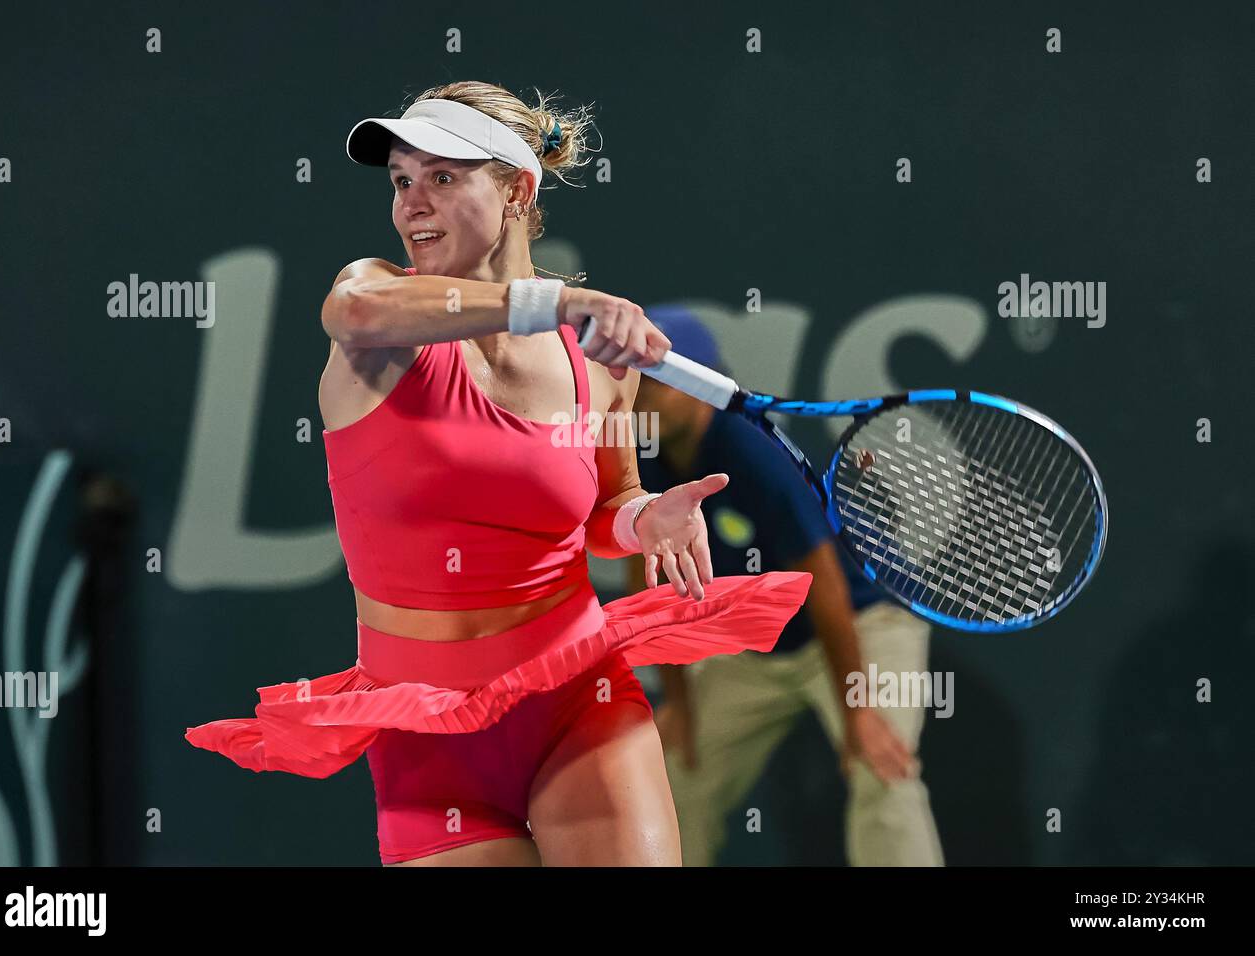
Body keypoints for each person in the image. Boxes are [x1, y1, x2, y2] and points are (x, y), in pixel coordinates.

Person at [183, 81, 812, 866]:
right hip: (427, 741)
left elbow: (606, 506)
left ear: (517, 190)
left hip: (578, 703)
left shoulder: (595, 363)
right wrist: (557, 301)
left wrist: (643, 518)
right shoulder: (374, 298)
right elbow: (354, 316)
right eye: (401, 181)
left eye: (443, 178)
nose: (413, 203)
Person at [626, 307, 945, 866]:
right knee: (677, 775)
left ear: (698, 383)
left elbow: (822, 580)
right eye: (633, 375)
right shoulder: (648, 451)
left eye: (654, 378)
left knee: (883, 768)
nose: (638, 392)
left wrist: (859, 706)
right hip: (764, 643)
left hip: (860, 627)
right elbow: (651, 579)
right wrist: (678, 703)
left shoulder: (751, 449)